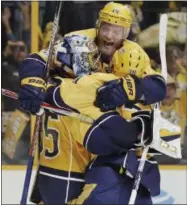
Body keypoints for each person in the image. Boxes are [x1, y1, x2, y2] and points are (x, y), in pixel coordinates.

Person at [18, 2, 171, 204]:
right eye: (106, 27)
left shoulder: (134, 52)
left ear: (126, 32)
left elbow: (157, 86)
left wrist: (132, 89)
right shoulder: (76, 41)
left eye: (116, 30)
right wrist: (33, 83)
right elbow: (37, 61)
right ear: (98, 25)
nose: (109, 36)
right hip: (69, 145)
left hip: (101, 144)